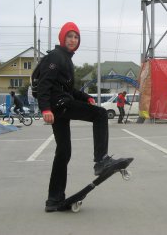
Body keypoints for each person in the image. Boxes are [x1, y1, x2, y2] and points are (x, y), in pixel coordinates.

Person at [38, 22, 129, 212]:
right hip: (59, 106)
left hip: (60, 105)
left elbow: (69, 90)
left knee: (63, 151)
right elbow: (44, 83)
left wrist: (85, 97)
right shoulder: (56, 56)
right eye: (69, 36)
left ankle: (53, 199)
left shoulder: (66, 59)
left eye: (76, 37)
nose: (72, 40)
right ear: (62, 38)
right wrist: (45, 108)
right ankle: (101, 161)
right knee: (101, 114)